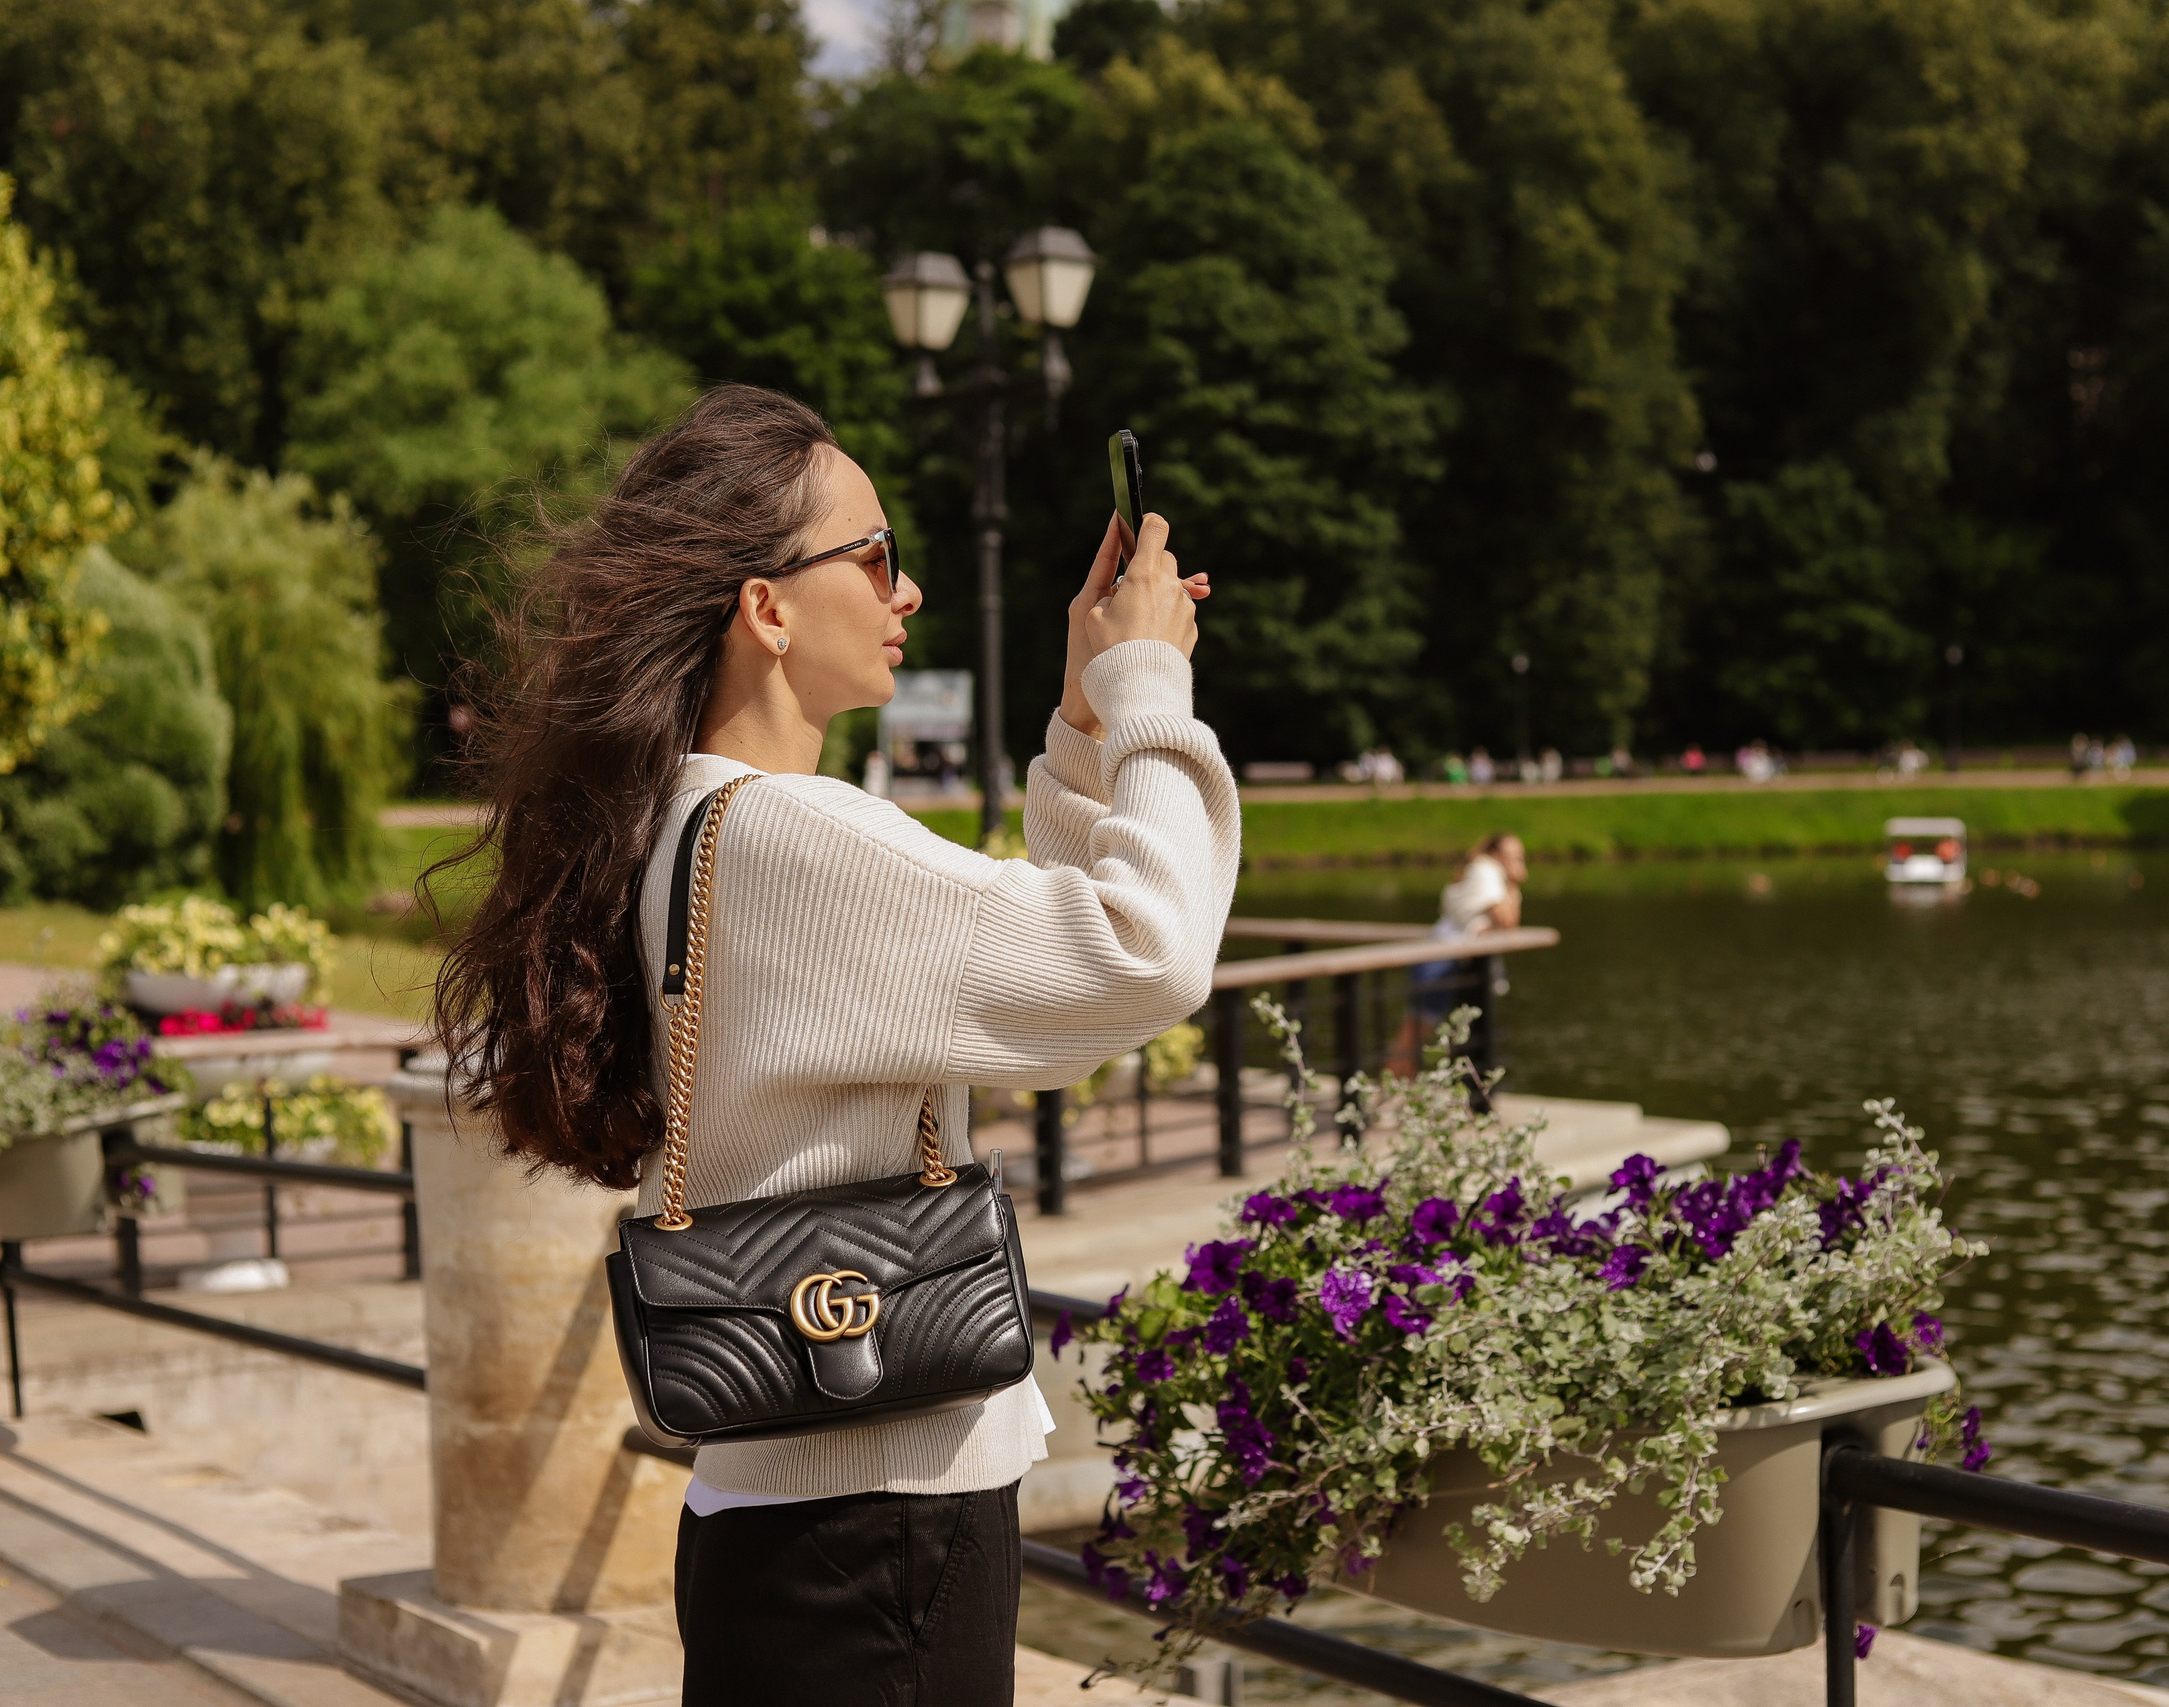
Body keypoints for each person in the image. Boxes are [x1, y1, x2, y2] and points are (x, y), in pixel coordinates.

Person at [429, 386, 1237, 1706]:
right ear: (767, 607)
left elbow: (1028, 1001)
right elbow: (1149, 952)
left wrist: (1083, 729)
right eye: (875, 555)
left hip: (788, 1516)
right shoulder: (800, 838)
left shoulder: (696, 827)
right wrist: (1149, 680)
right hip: (880, 1526)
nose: (905, 590)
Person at [1392, 833, 1526, 1073]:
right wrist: (1515, 883)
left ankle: (1394, 1092)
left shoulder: (1479, 870)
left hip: (1440, 954)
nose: (1517, 862)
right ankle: (1388, 1092)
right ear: (1496, 854)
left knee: (1419, 1032)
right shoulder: (1487, 872)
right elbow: (1507, 920)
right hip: (1442, 960)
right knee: (1416, 1033)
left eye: (1519, 857)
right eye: (1513, 856)